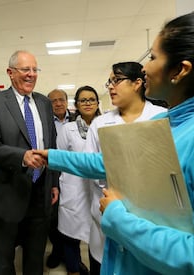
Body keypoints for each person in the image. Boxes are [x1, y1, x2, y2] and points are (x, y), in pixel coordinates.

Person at [36, 10, 194, 275]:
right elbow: (111, 162)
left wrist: (118, 218)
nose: (144, 68)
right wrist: (50, 156)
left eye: (153, 57)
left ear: (180, 70)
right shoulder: (170, 122)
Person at [84, 61, 167, 275]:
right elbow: (90, 166)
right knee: (106, 264)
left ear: (137, 83)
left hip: (153, 216)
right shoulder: (100, 124)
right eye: (109, 82)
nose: (111, 86)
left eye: (117, 80)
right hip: (108, 210)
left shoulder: (162, 117)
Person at [0, 50, 59, 275]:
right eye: (26, 69)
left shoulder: (44, 103)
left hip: (40, 191)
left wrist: (54, 182)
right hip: (9, 194)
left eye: (35, 70)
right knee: (4, 261)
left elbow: (51, 144)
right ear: (10, 73)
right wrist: (21, 157)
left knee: (35, 259)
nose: (32, 75)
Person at [57, 85, 101, 275]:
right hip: (74, 189)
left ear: (98, 102)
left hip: (99, 189)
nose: (87, 103)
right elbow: (59, 159)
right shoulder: (68, 128)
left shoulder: (106, 124)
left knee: (98, 237)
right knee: (70, 234)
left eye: (91, 99)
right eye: (83, 100)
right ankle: (73, 270)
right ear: (77, 105)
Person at [45, 88, 72, 269]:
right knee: (53, 218)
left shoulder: (78, 121)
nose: (58, 103)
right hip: (52, 174)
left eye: (61, 99)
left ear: (67, 101)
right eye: (53, 101)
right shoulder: (45, 122)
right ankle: (57, 250)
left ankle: (71, 257)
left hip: (74, 176)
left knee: (72, 216)